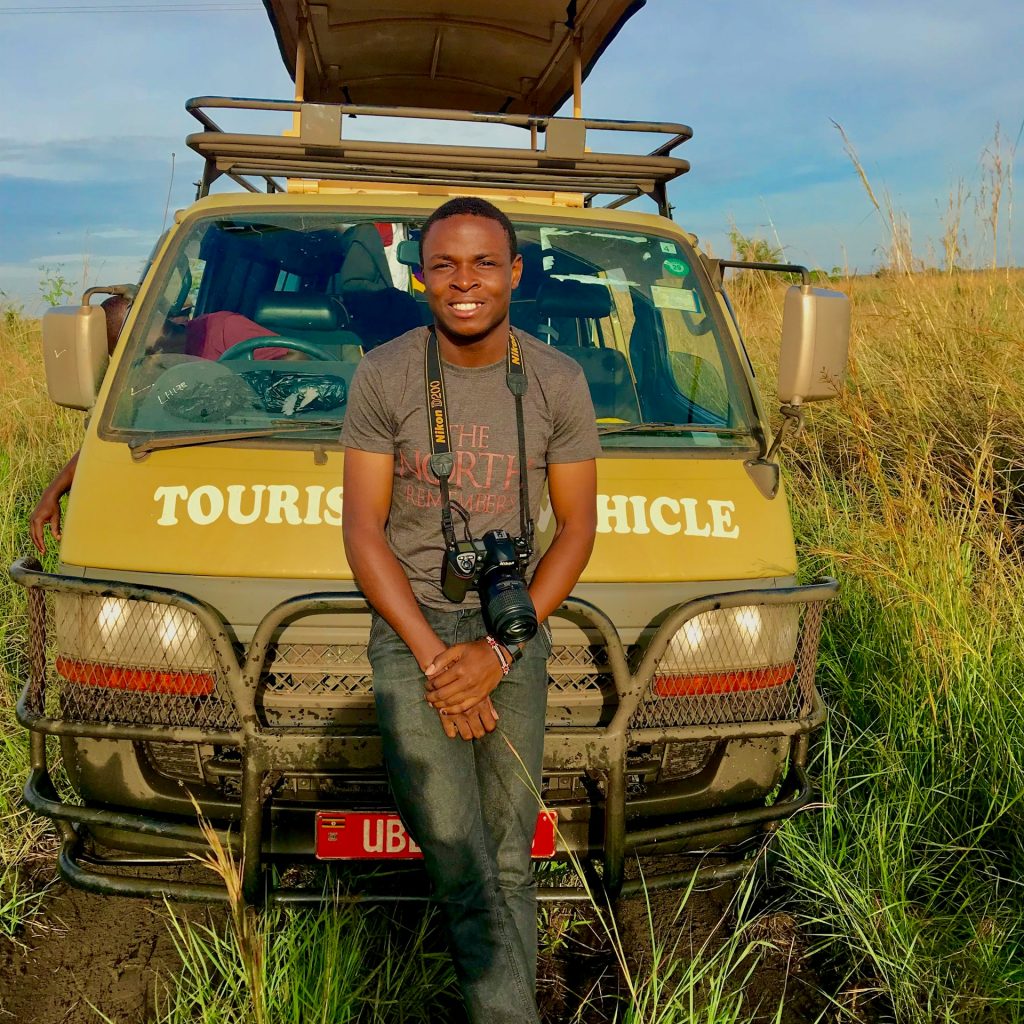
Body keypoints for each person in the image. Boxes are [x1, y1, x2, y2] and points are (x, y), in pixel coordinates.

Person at [341, 197, 599, 1024]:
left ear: (515, 272)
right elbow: (362, 530)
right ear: (420, 276)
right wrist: (432, 658)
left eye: (484, 262)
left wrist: (497, 654)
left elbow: (579, 526)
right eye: (443, 263)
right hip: (413, 627)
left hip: (510, 627)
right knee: (458, 856)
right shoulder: (385, 373)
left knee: (511, 858)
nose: (464, 281)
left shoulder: (558, 379)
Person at [29, 293, 131, 554]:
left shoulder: (224, 330)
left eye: (124, 349)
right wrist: (53, 491)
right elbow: (109, 437)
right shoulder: (137, 380)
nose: (123, 361)